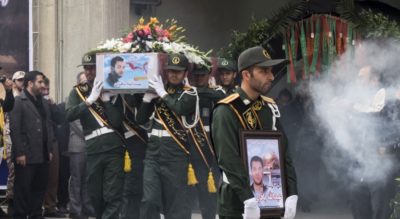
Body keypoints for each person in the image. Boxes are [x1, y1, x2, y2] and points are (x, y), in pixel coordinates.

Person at [211, 46, 298, 219]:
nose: (271, 77)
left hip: (270, 199)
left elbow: (283, 153)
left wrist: (291, 192)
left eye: (271, 71)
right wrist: (248, 199)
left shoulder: (269, 107)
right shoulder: (226, 110)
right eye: (264, 71)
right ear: (246, 75)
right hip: (237, 203)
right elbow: (227, 159)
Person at [136, 53, 197, 219]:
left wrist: (162, 93)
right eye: (170, 71)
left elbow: (180, 108)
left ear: (185, 73)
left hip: (176, 155)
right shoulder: (157, 91)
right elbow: (140, 120)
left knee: (176, 205)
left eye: (178, 71)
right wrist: (147, 99)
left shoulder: (190, 94)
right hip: (153, 154)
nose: (173, 74)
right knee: (149, 200)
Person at [66, 52, 125, 219]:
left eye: (93, 68)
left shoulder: (113, 89)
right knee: (94, 194)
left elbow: (116, 121)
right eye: (87, 68)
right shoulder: (78, 92)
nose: (89, 72)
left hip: (113, 146)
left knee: (112, 193)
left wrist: (106, 100)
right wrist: (89, 101)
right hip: (92, 148)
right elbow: (69, 115)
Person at [10, 71, 54, 219]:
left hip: (42, 154)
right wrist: (20, 153)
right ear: (30, 83)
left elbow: (48, 125)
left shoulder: (43, 101)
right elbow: (15, 130)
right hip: (26, 155)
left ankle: (36, 214)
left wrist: (49, 149)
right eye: (40, 82)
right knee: (23, 190)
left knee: (39, 189)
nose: (43, 85)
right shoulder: (19, 101)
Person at [187, 62, 225, 219]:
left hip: (208, 151)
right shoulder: (188, 92)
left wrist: (197, 91)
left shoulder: (216, 92)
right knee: (186, 197)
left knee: (208, 197)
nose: (199, 78)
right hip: (190, 150)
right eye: (196, 75)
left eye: (202, 75)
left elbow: (221, 96)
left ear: (209, 75)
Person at [68, 72, 95, 219]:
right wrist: (91, 136)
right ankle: (75, 210)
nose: (86, 83)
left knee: (87, 180)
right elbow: (75, 123)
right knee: (76, 180)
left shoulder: (93, 98)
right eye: (83, 81)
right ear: (78, 83)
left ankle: (87, 208)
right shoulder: (73, 98)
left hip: (91, 145)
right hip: (78, 146)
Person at [119, 92, 148, 219]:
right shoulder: (115, 95)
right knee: (123, 189)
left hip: (138, 147)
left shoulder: (142, 94)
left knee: (136, 187)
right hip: (118, 146)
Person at [42, 77, 67, 218]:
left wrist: (52, 105)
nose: (45, 92)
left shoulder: (50, 103)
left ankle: (50, 207)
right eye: (43, 89)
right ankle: (34, 207)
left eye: (47, 89)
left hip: (53, 142)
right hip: (37, 144)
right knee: (38, 178)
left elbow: (60, 119)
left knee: (53, 177)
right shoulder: (29, 102)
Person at [3, 71, 22, 217]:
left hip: (20, 139)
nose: (22, 82)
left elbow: (7, 107)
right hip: (9, 137)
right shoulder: (15, 96)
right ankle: (11, 202)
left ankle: (17, 205)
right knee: (13, 172)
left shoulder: (26, 97)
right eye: (19, 80)